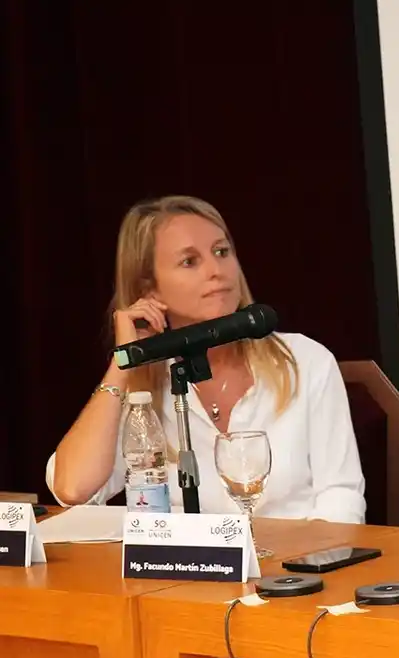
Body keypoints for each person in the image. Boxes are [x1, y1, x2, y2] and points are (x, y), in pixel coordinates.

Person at [47, 195, 366, 523]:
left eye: (221, 252)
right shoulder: (142, 385)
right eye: (190, 261)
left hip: (295, 569)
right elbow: (73, 489)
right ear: (150, 290)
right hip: (182, 571)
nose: (217, 271)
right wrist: (123, 364)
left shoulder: (305, 361)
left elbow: (341, 497)